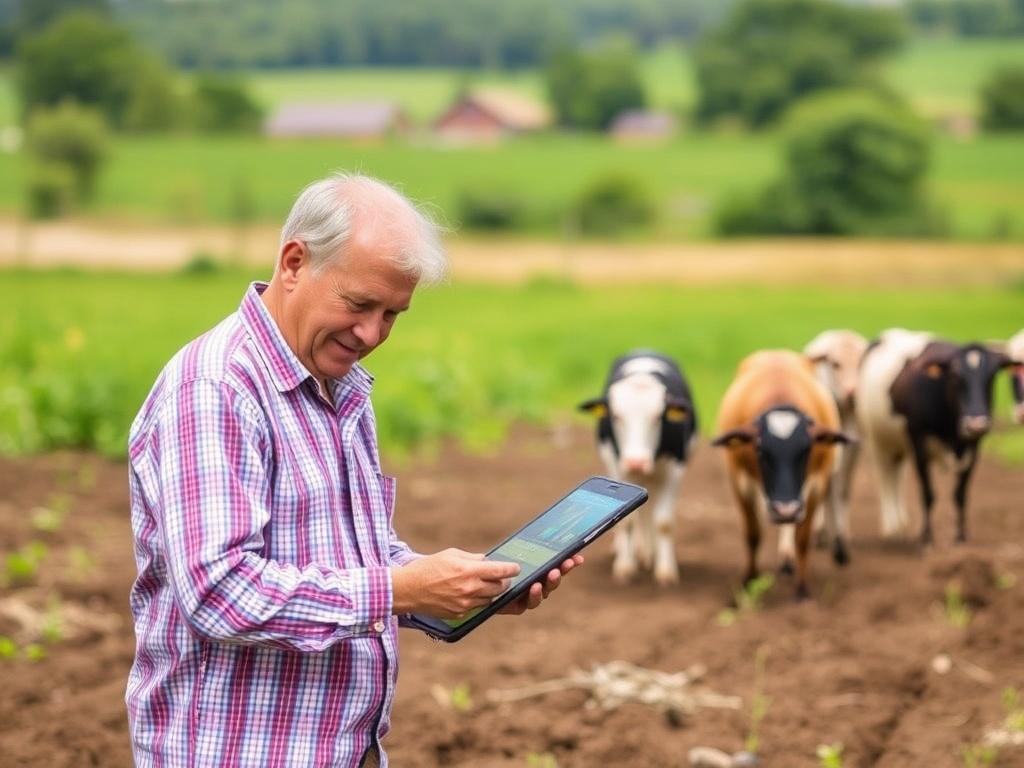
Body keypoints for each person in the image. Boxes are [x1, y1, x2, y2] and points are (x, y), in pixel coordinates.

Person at [125, 173, 583, 768]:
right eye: (359, 303)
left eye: (393, 313)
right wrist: (401, 588)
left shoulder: (337, 385)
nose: (371, 333)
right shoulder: (216, 389)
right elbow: (219, 591)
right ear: (294, 263)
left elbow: (352, 554)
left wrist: (457, 589)